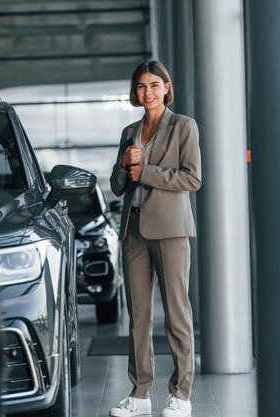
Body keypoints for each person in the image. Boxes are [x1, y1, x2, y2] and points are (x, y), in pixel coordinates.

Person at [108, 60, 201, 417]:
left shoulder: (183, 127)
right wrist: (123, 165)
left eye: (153, 85)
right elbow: (119, 187)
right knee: (139, 317)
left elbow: (192, 178)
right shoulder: (130, 131)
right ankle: (140, 393)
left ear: (166, 87)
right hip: (134, 231)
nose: (147, 92)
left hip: (171, 231)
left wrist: (145, 170)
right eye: (141, 86)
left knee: (177, 314)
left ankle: (180, 394)